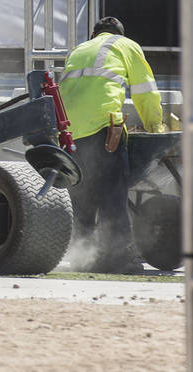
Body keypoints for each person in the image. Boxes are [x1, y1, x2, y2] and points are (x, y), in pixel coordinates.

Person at [58, 16, 164, 274]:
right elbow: (145, 92)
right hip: (103, 128)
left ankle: (83, 257)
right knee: (112, 192)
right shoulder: (126, 45)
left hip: (70, 131)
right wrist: (155, 129)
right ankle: (120, 259)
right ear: (120, 33)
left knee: (82, 194)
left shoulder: (79, 50)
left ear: (95, 34)